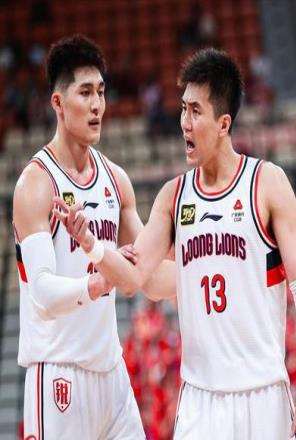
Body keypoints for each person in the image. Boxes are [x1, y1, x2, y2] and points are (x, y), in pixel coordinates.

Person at [54, 48, 296, 440]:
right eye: (183, 109)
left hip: (264, 393)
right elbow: (134, 279)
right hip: (201, 401)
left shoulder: (267, 183)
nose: (184, 122)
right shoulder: (173, 196)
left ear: (223, 123)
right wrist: (91, 243)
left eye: (196, 111)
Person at [12, 35, 156, 439]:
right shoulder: (36, 184)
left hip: (112, 375)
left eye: (102, 92)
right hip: (58, 375)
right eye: (86, 92)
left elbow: (147, 269)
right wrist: (96, 284)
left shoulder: (116, 179)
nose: (97, 105)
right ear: (58, 103)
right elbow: (42, 292)